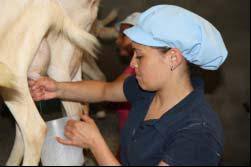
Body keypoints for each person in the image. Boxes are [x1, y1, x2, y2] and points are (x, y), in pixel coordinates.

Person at [29, 5, 228, 166]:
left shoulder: (198, 132)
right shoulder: (148, 91)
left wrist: (96, 144)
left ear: (173, 58)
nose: (133, 64)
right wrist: (57, 88)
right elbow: (104, 90)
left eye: (140, 56)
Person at [115, 12, 140, 130]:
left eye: (123, 35)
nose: (118, 40)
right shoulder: (132, 66)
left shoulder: (139, 68)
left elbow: (112, 90)